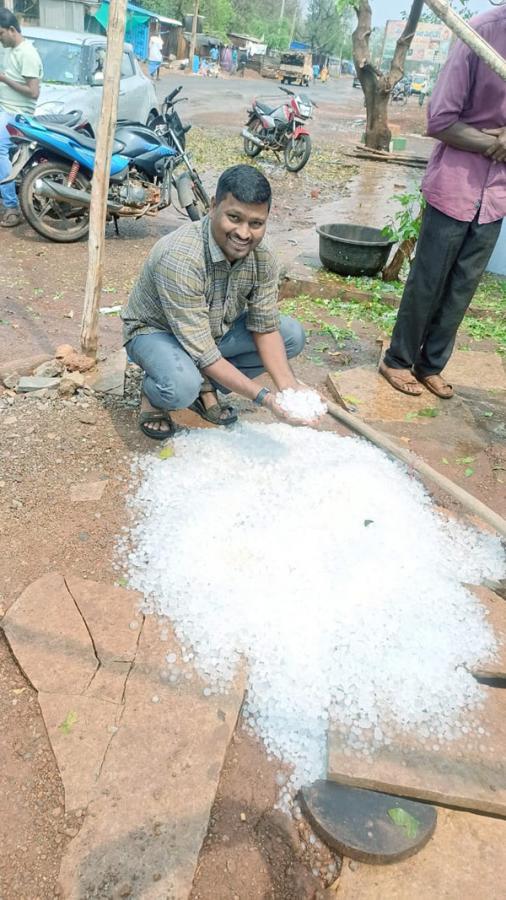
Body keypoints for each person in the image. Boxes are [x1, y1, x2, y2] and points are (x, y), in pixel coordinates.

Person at [122, 164, 310, 438]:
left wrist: (290, 390)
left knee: (291, 335)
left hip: (212, 331)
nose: (244, 233)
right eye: (234, 218)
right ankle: (154, 395)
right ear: (213, 207)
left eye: (256, 224)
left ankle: (207, 384)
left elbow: (265, 326)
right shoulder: (181, 257)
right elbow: (203, 352)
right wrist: (266, 399)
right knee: (180, 387)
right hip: (157, 333)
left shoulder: (264, 257)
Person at [380, 5, 506, 399]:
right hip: (457, 184)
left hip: (497, 195)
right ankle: (397, 360)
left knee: (462, 287)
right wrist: (496, 143)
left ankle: (429, 365)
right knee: (429, 280)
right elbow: (439, 120)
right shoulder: (480, 32)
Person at [0, 9, 42, 228]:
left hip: (17, 115)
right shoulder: (7, 47)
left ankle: (11, 206)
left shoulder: (27, 53)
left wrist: (5, 80)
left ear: (12, 30)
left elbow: (33, 92)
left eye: (0, 34)